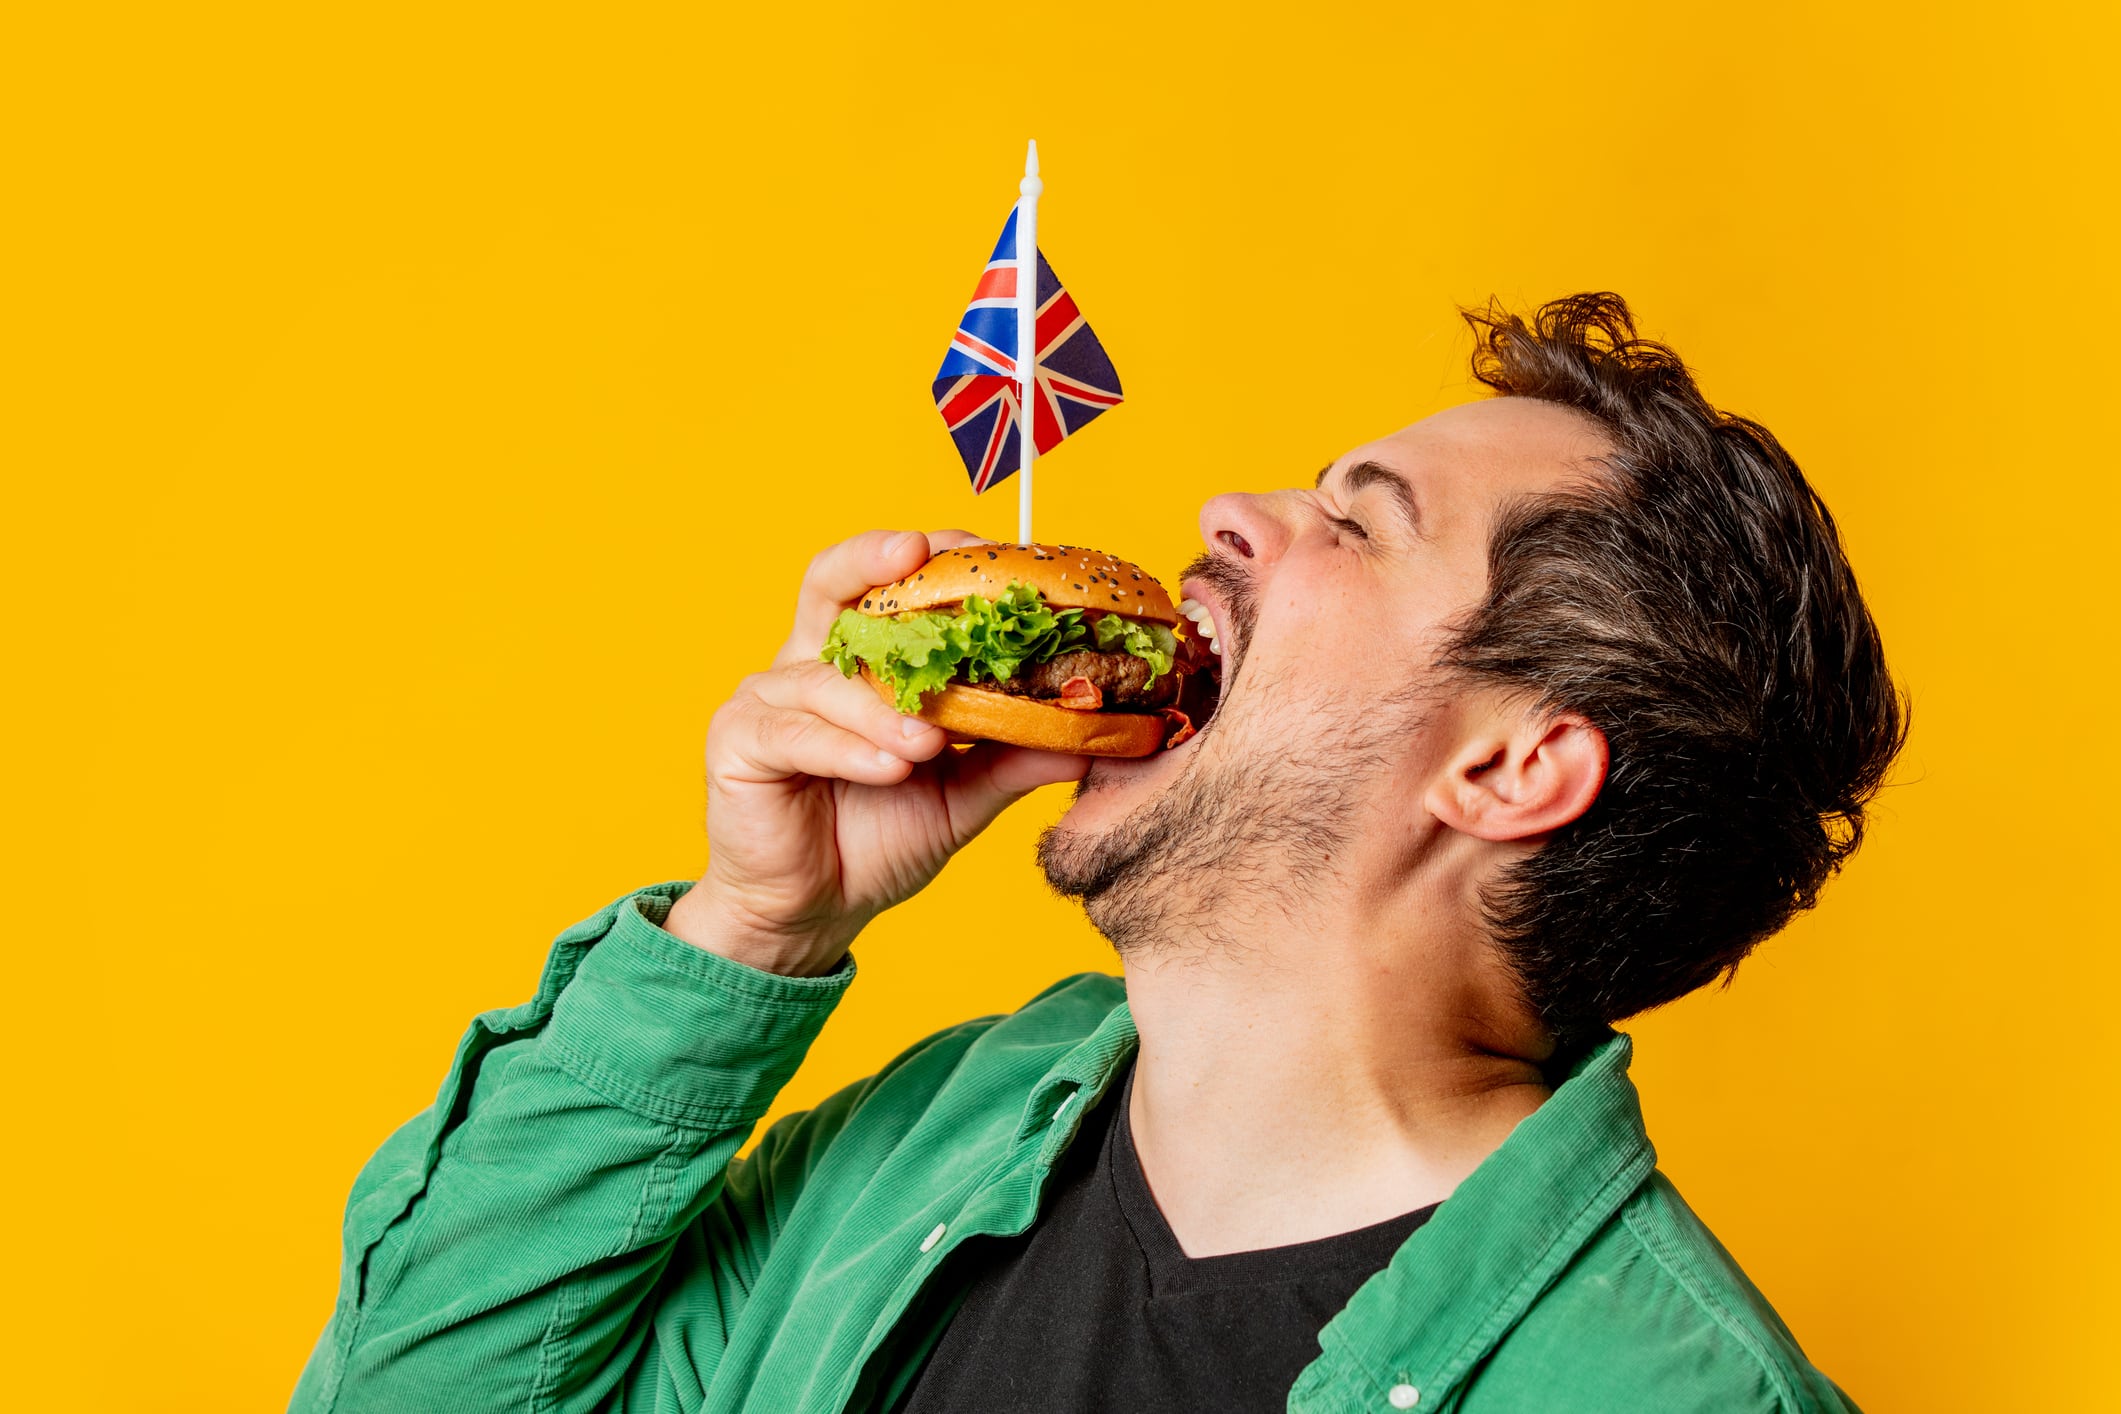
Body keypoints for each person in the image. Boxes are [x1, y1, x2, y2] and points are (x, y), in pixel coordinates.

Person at [291, 293, 1902, 1413]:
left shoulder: (1658, 1392)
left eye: (1355, 521)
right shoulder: (931, 1141)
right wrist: (753, 927)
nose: (1226, 513)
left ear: (1507, 765)